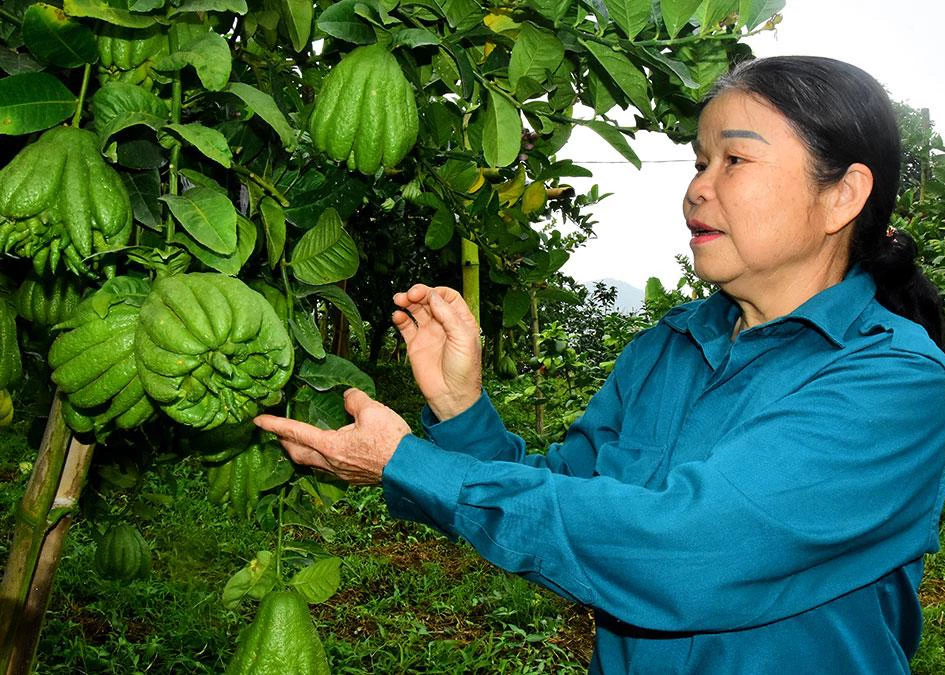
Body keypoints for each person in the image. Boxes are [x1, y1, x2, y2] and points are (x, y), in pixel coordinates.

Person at [254, 56, 945, 673]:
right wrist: (462, 410)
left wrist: (405, 462)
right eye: (698, 163)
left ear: (842, 195)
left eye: (733, 161)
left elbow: (684, 553)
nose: (696, 191)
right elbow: (569, 514)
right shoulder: (665, 349)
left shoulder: (895, 381)